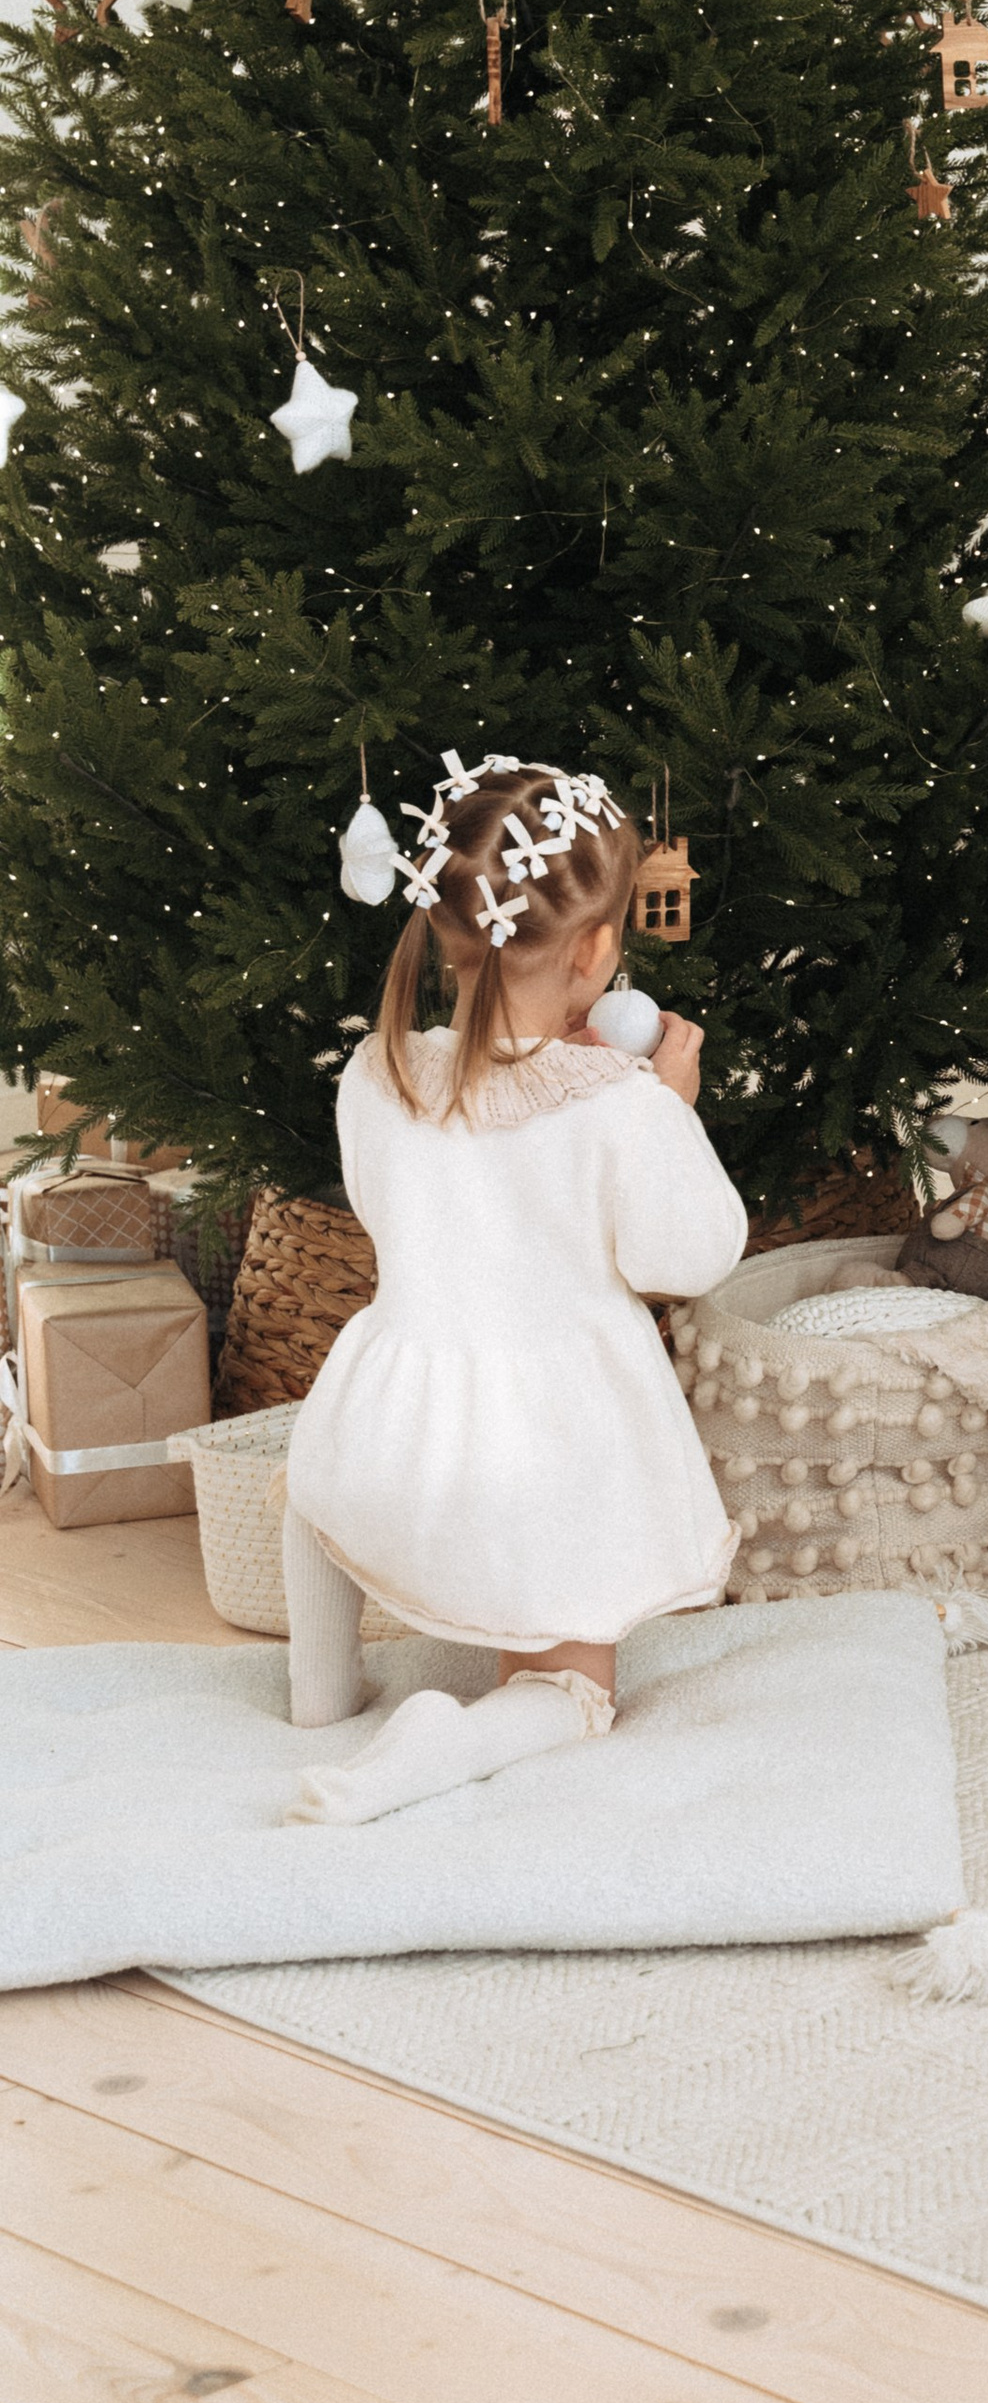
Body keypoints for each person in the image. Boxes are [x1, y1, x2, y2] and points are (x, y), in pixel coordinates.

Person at [282, 750, 748, 1827]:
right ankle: (460, 1735)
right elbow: (690, 1255)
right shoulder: (621, 1106)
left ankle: (318, 1696)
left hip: (385, 1438)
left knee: (312, 1484)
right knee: (574, 1691)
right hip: (543, 1457)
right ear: (595, 951)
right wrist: (670, 1105)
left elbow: (385, 1199)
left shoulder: (378, 1070)